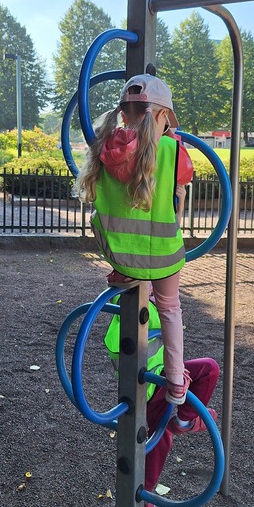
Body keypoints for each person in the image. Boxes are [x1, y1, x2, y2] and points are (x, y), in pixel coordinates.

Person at [76, 73, 194, 406]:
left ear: (123, 113)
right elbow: (183, 181)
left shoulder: (104, 145)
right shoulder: (171, 149)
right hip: (164, 257)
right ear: (162, 115)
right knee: (170, 308)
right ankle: (176, 383)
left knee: (142, 278)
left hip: (119, 255)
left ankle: (130, 276)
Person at [104, 299, 219, 507]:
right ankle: (144, 494)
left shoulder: (154, 305)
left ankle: (185, 420)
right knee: (161, 437)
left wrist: (177, 373)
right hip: (147, 388)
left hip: (162, 374)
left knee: (208, 369)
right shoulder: (137, 308)